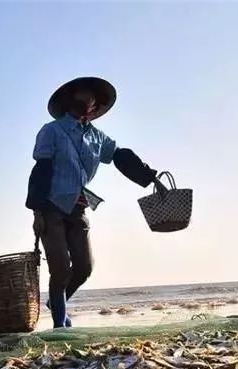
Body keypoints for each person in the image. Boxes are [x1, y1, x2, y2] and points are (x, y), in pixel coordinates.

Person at [26, 76, 166, 328]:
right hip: (50, 207)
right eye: (82, 98)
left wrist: (150, 177)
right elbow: (40, 171)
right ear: (71, 100)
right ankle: (60, 324)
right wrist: (37, 212)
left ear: (95, 107)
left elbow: (120, 156)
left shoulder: (97, 137)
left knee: (84, 268)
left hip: (78, 206)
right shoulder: (52, 131)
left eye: (91, 101)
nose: (87, 104)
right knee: (60, 269)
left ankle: (58, 302)